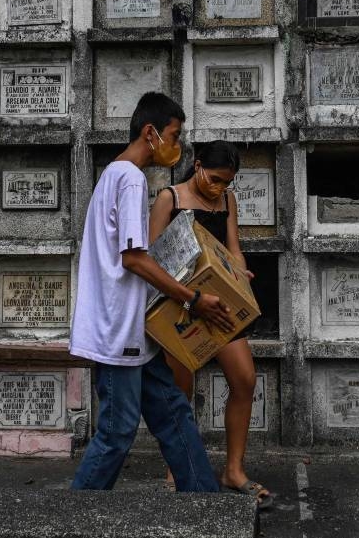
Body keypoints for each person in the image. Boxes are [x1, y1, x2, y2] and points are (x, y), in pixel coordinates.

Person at [69, 92, 236, 492]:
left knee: (174, 415)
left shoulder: (113, 175)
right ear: (151, 133)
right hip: (118, 334)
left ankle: (204, 502)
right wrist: (192, 299)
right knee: (116, 433)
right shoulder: (129, 178)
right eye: (174, 136)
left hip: (134, 333)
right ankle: (71, 516)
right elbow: (134, 259)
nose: (178, 148)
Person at [149, 140, 274, 509]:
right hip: (183, 305)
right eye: (215, 179)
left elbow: (232, 246)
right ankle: (178, 468)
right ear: (198, 165)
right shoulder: (169, 199)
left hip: (222, 305)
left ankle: (233, 471)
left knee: (244, 379)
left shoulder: (227, 201)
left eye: (227, 183)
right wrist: (190, 294)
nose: (220, 189)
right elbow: (155, 258)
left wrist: (238, 274)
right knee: (180, 389)